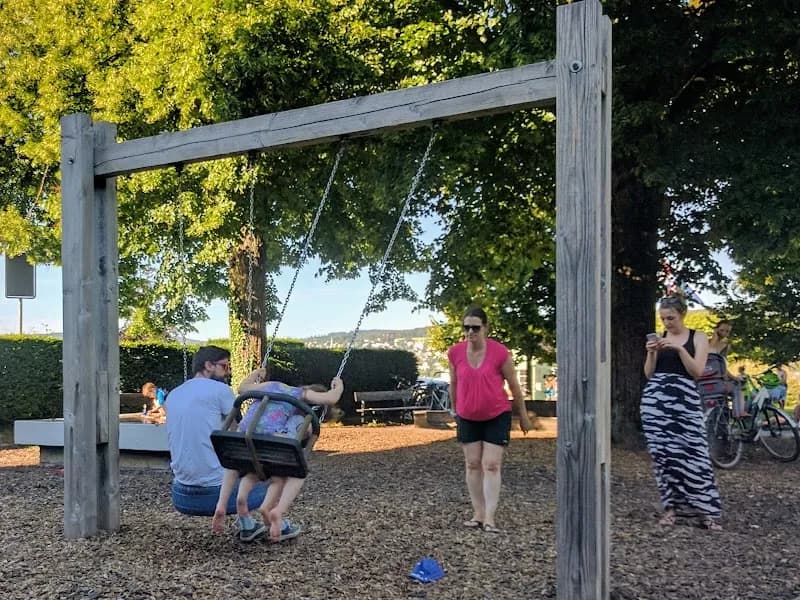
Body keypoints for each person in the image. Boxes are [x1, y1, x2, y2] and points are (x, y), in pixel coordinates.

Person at [165, 345, 299, 542]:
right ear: (208, 365)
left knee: (231, 465)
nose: (228, 372)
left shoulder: (173, 394)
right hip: (213, 493)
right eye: (225, 366)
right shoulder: (220, 390)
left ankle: (247, 525)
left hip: (181, 493)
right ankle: (277, 524)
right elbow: (240, 433)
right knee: (277, 473)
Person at [212, 368, 344, 541]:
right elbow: (331, 398)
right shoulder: (300, 395)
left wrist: (257, 374)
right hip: (272, 443)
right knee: (294, 473)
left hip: (242, 438)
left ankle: (223, 504)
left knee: (239, 467)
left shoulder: (270, 385)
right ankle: (277, 510)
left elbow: (242, 388)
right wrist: (338, 386)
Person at [447, 307, 532, 534]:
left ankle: (490, 518)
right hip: (467, 416)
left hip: (497, 414)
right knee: (473, 464)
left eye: (475, 327)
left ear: (485, 327)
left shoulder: (500, 353)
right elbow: (453, 384)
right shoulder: (454, 353)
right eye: (467, 327)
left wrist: (522, 415)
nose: (470, 332)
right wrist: (455, 410)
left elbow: (514, 385)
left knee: (491, 465)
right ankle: (478, 513)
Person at [642, 295, 722, 530]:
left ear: (682, 314)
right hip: (656, 401)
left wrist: (679, 349)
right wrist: (651, 352)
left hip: (685, 400)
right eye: (663, 319)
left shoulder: (698, 337)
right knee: (664, 458)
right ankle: (671, 510)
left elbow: (697, 371)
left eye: (671, 318)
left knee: (695, 455)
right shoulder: (660, 338)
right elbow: (649, 374)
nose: (667, 323)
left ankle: (705, 512)